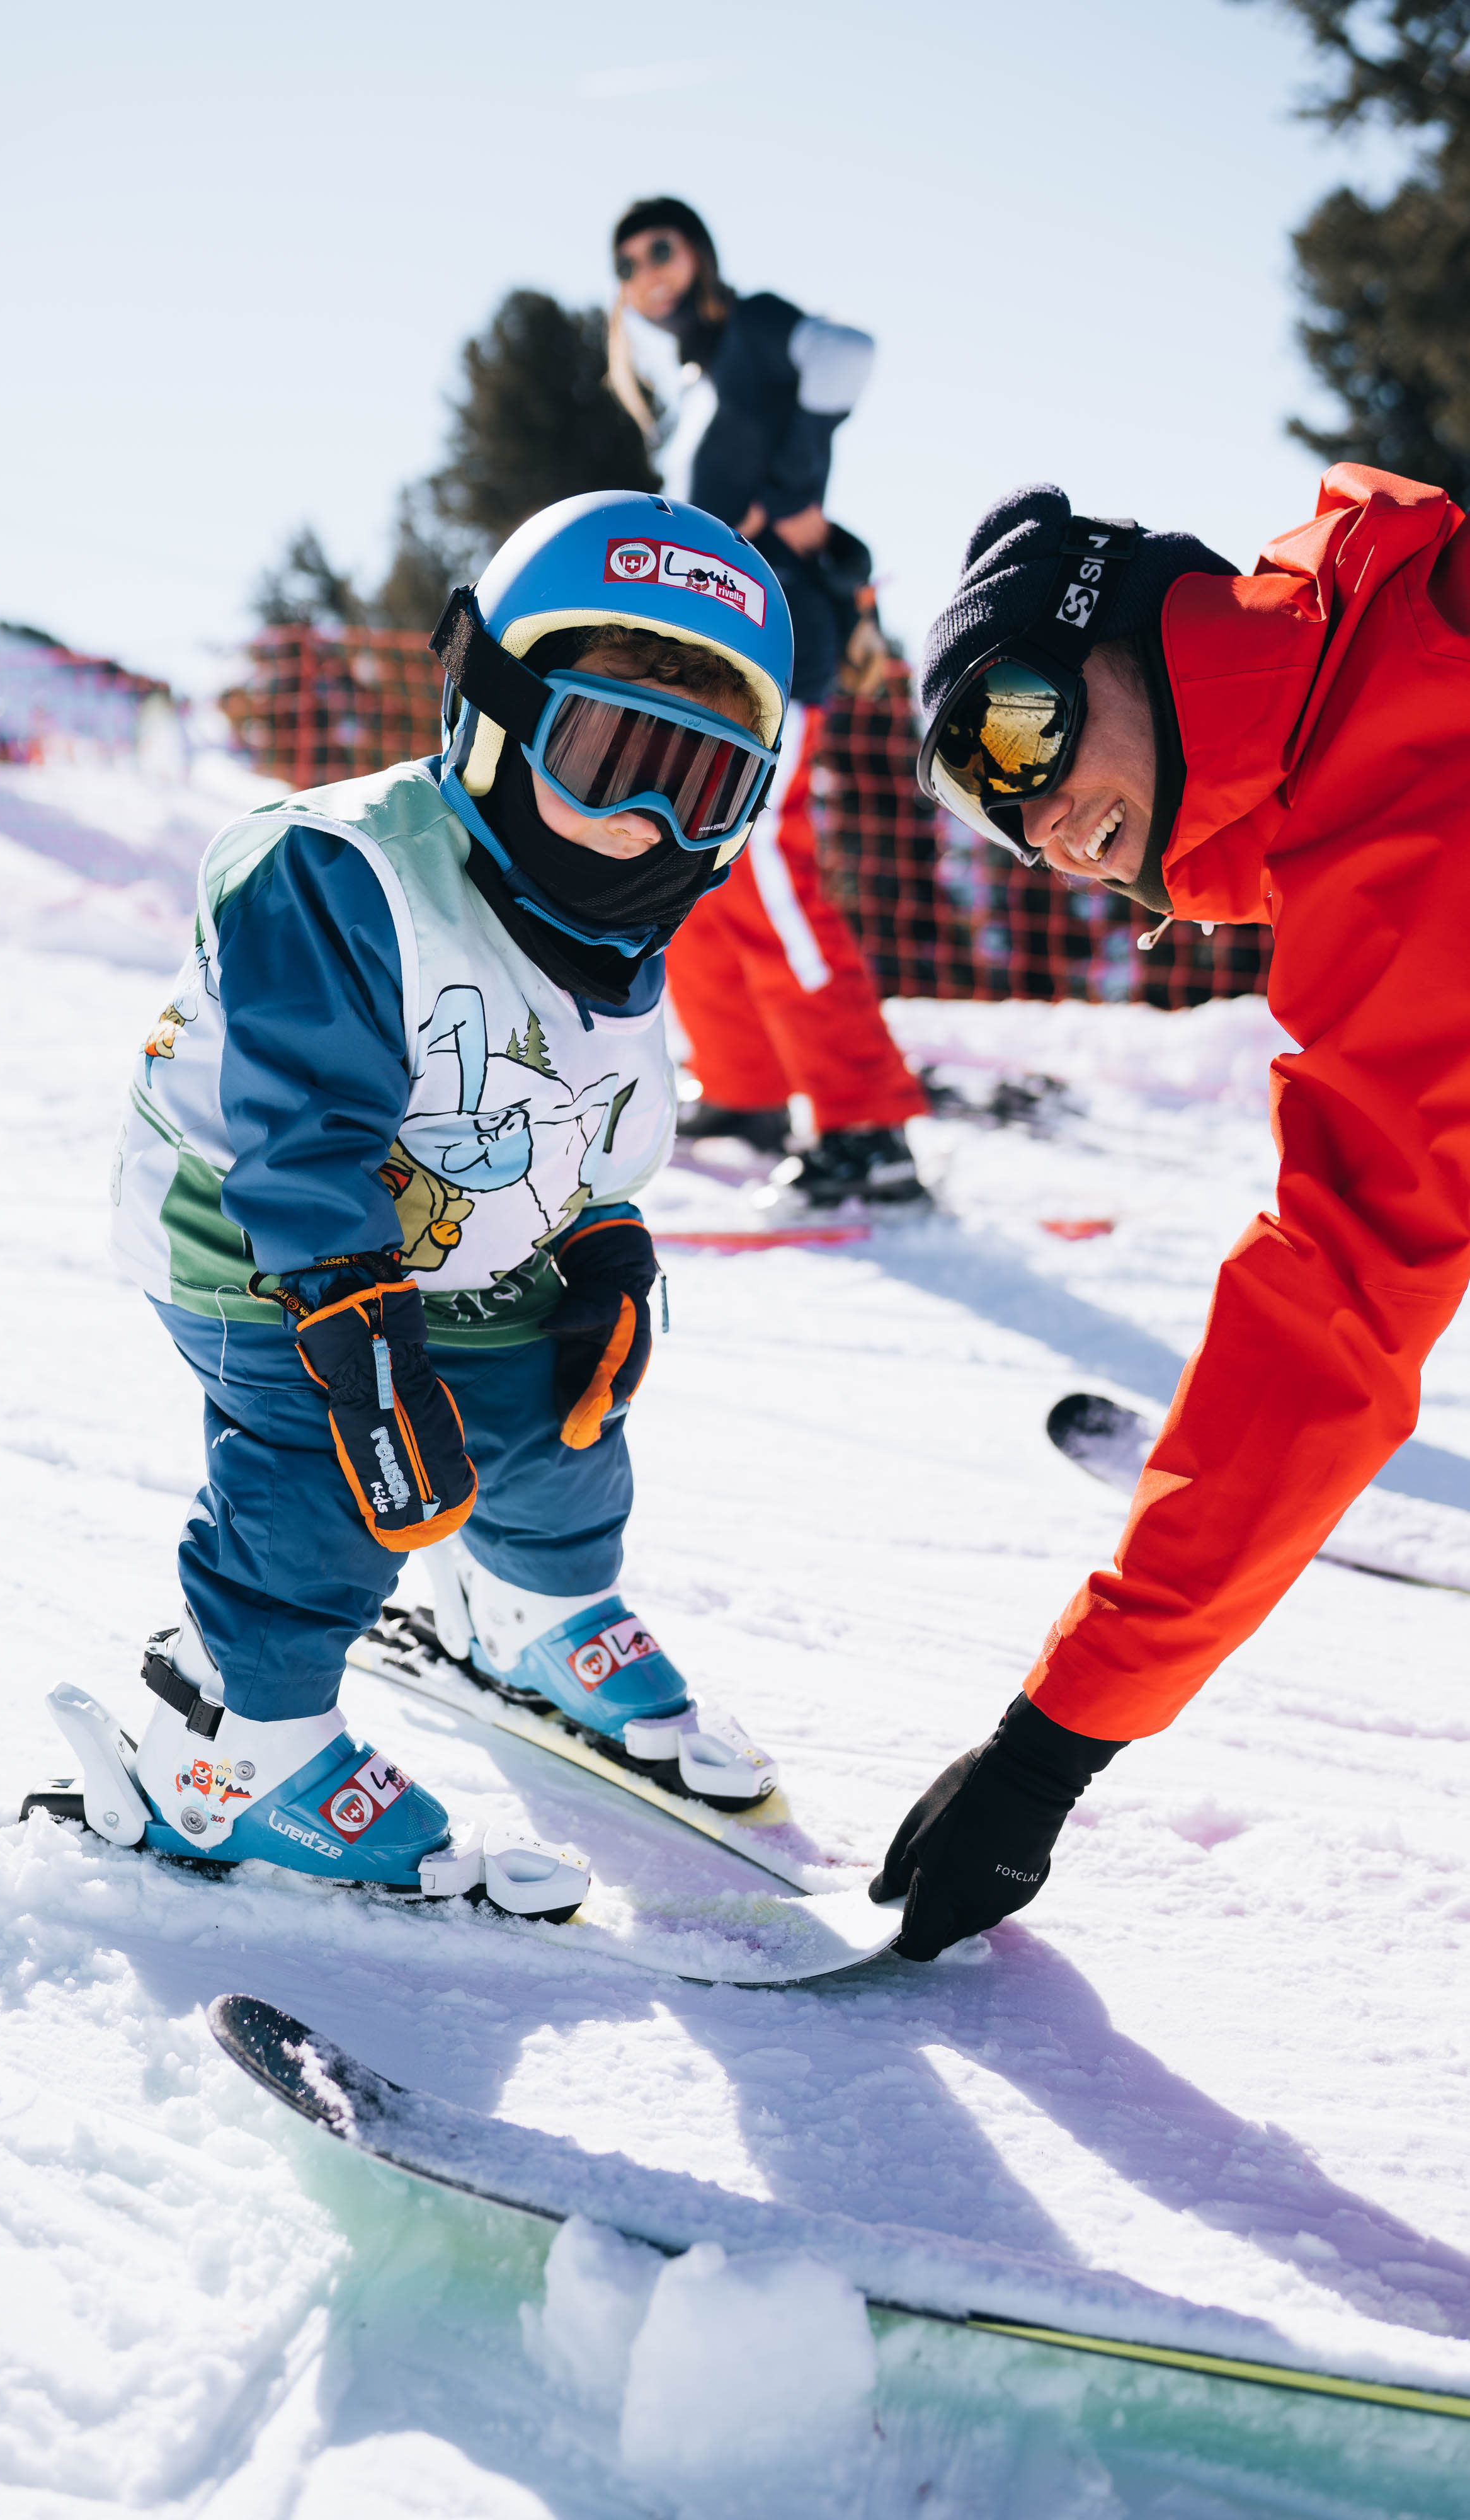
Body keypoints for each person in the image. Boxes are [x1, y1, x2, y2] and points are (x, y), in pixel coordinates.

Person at [90, 492, 791, 1893]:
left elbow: (583, 1125)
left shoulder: (614, 931)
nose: (642, 822)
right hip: (264, 1243)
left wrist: (600, 1243)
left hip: (459, 1238)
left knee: (562, 1412)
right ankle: (240, 1751)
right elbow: (302, 1133)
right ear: (500, 709)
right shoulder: (342, 872)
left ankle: (530, 1606)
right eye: (607, 757)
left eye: (697, 783)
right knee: (330, 1471)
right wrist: (358, 1332)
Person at [873, 463, 1470, 1958]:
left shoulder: (1406, 725)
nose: (1037, 818)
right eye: (981, 802)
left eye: (1014, 726)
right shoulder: (1359, 783)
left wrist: (1051, 1744)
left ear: (1124, 627)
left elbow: (1330, 1308)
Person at [607, 197, 927, 1206]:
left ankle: (867, 1128)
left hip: (780, 652)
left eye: (662, 247)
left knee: (772, 876)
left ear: (698, 252)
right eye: (628, 262)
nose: (649, 271)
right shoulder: (695, 385)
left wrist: (794, 495)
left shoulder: (753, 331)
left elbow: (849, 355)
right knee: (694, 866)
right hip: (709, 667)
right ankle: (748, 1091)